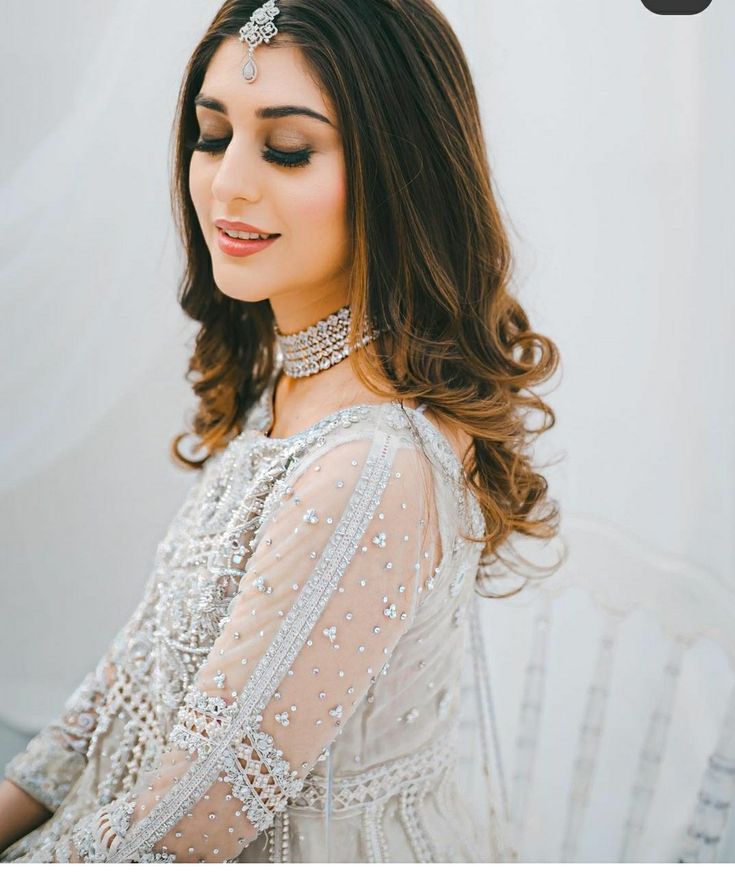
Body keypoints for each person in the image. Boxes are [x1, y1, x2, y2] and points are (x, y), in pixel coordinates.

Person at [0, 0, 560, 862]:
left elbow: (188, 816)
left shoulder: (368, 467)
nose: (228, 183)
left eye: (288, 148)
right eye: (212, 134)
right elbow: (112, 697)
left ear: (400, 172)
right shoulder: (294, 392)